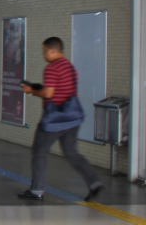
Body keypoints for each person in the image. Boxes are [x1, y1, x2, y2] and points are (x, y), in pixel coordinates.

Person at [18, 37, 103, 202]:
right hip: (72, 118)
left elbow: (49, 94)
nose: (43, 54)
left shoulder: (51, 68)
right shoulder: (70, 67)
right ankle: (94, 182)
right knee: (72, 153)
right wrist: (37, 87)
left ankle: (36, 190)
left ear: (52, 50)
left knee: (39, 152)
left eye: (44, 50)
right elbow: (61, 90)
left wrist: (32, 92)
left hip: (54, 120)